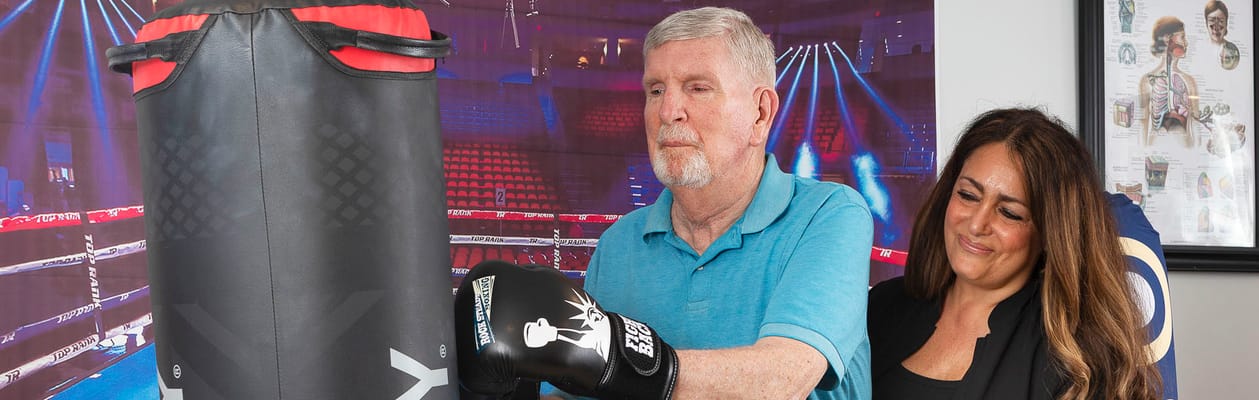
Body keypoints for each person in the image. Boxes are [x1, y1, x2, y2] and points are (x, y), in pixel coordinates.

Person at [455, 6, 873, 400]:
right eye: (655, 90)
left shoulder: (829, 215)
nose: (668, 110)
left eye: (699, 87)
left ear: (760, 114)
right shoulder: (619, 245)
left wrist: (621, 360)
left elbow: (783, 379)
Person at [867, 108, 1162, 400]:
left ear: (1051, 234)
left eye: (1009, 213)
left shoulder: (1078, 358)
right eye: (968, 195)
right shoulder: (880, 307)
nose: (976, 224)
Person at [1139, 16, 1202, 148]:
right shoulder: (1146, 81)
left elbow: (1196, 124)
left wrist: (1197, 158)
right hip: (1155, 150)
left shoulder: (1190, 82)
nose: (1186, 43)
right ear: (1168, 39)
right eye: (1182, 37)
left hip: (1186, 155)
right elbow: (1143, 124)